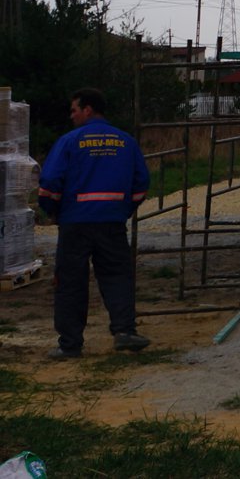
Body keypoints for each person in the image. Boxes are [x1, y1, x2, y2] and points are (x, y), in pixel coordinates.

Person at [38, 87, 150, 358]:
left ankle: (70, 345)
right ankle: (125, 331)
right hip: (111, 221)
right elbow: (141, 183)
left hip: (75, 222)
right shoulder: (126, 141)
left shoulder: (69, 141)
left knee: (70, 282)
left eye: (74, 110)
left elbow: (49, 183)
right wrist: (123, 209)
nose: (71, 116)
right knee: (117, 276)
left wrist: (53, 211)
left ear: (87, 110)